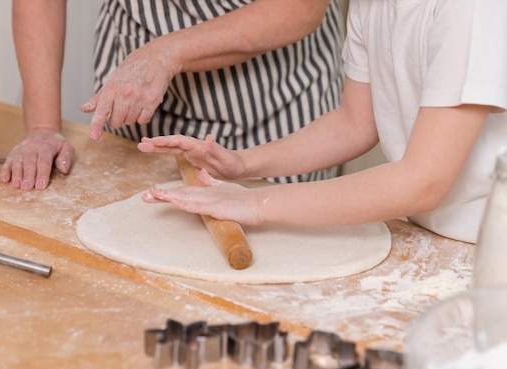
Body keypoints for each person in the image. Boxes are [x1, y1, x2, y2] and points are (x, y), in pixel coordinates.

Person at [138, 0, 507, 244]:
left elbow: (423, 182)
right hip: (438, 234)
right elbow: (353, 123)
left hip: (490, 245)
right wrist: (245, 163)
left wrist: (258, 204)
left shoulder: (472, 8)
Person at [0, 0, 345, 191]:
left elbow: (296, 8)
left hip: (270, 107)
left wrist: (166, 55)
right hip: (137, 109)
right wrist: (43, 127)